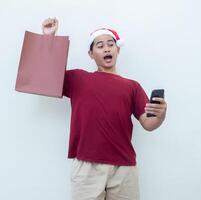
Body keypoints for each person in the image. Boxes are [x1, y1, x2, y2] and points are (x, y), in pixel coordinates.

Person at [42, 17, 167, 200]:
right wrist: (49, 39)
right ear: (91, 54)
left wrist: (160, 116)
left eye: (110, 44)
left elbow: (148, 123)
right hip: (87, 168)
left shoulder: (132, 86)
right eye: (99, 46)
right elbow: (47, 76)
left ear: (117, 50)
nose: (106, 48)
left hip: (124, 169)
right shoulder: (78, 79)